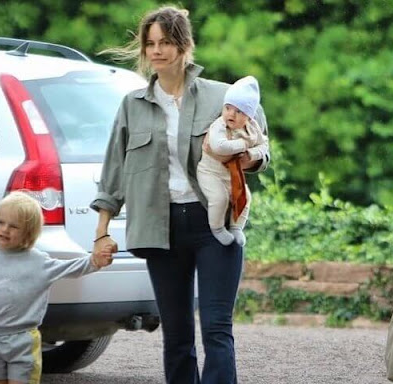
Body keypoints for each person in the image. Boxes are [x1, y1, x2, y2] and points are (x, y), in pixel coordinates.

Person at [91, 6, 270, 384]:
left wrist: (245, 157)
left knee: (217, 330)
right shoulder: (132, 105)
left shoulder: (222, 97)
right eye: (151, 43)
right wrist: (102, 232)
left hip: (214, 223)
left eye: (166, 42)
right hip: (161, 227)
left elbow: (261, 148)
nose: (157, 51)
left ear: (184, 45)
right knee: (176, 336)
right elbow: (114, 173)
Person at [0, 191, 114, 384]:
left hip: (23, 341)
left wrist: (95, 261)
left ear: (29, 232)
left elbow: (72, 268)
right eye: (0, 222)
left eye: (13, 226)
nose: (5, 229)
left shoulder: (38, 262)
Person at [197, 75, 268, 247]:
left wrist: (251, 154)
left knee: (245, 197)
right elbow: (219, 146)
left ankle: (237, 227)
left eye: (239, 111)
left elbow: (264, 145)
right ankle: (218, 228)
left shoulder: (252, 128)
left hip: (231, 174)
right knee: (219, 198)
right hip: (210, 172)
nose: (231, 114)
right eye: (228, 108)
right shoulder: (219, 125)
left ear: (249, 117)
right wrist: (243, 144)